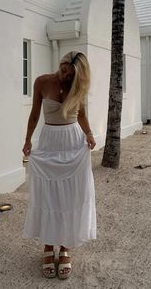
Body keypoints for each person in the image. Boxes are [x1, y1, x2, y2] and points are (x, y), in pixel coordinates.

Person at [22, 51, 97, 279]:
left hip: (73, 142)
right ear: (61, 63)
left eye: (72, 73)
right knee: (47, 193)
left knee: (71, 194)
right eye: (65, 69)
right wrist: (27, 140)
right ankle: (47, 245)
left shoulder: (77, 85)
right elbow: (35, 114)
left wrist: (89, 134)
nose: (66, 75)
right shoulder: (42, 82)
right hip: (49, 141)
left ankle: (64, 246)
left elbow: (81, 114)